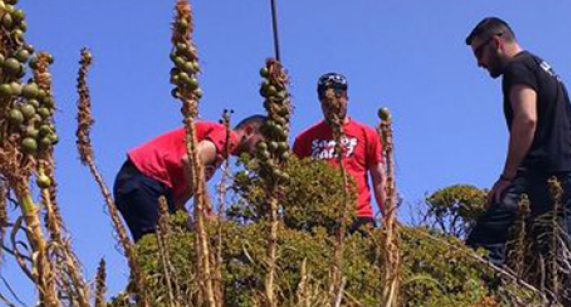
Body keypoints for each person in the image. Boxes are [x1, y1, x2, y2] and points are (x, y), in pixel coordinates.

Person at [464, 17, 571, 265]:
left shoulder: (517, 68)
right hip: (570, 174)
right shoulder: (544, 68)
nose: (479, 63)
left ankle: (481, 301)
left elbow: (527, 118)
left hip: (539, 174)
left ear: (496, 42)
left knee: (483, 245)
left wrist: (507, 177)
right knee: (553, 259)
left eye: (479, 52)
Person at [114, 115, 265, 241]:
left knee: (176, 248)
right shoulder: (227, 136)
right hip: (144, 178)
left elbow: (177, 202)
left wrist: (194, 229)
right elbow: (191, 159)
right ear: (249, 130)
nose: (257, 153)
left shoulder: (214, 158)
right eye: (259, 145)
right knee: (160, 250)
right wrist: (208, 210)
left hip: (149, 186)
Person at [292, 73, 388, 231]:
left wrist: (388, 217)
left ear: (347, 97)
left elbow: (379, 178)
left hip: (359, 216)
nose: (333, 103)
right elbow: (294, 182)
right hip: (320, 219)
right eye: (326, 99)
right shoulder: (305, 139)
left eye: (338, 96)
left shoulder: (367, 133)